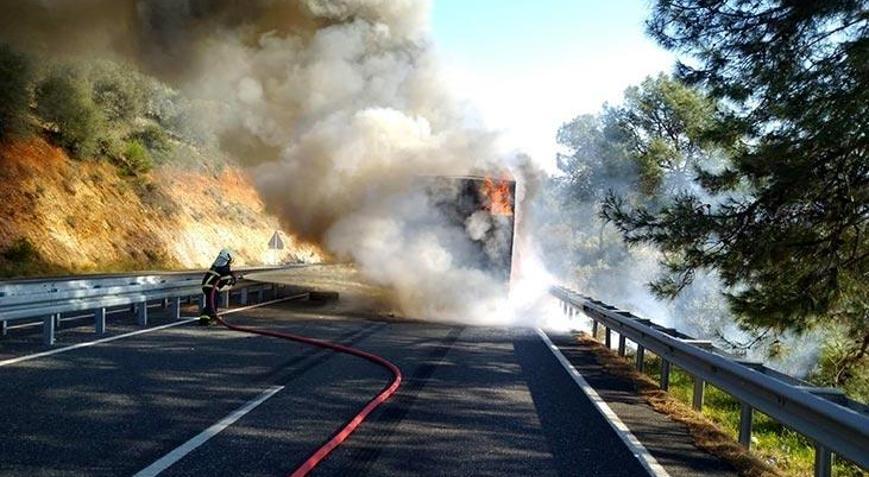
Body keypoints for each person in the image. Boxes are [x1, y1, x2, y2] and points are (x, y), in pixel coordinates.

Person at [200, 248, 238, 326]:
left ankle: (210, 317)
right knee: (212, 303)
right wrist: (232, 279)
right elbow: (224, 277)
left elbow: (223, 276)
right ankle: (205, 320)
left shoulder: (218, 264)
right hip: (211, 287)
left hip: (209, 286)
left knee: (212, 302)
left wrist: (231, 278)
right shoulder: (223, 266)